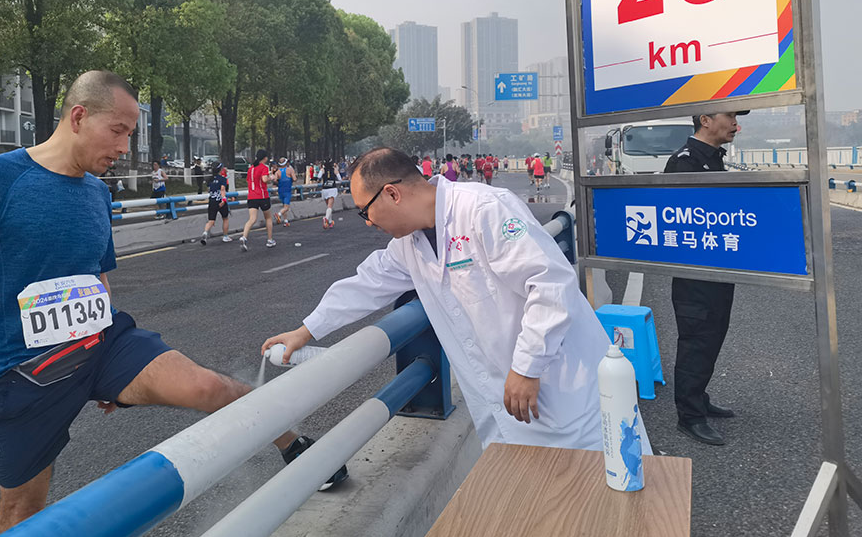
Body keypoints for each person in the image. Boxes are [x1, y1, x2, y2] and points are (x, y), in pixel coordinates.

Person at [0, 71, 345, 535]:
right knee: (21, 517)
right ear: (78, 117)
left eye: (130, 135)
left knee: (208, 386)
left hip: (104, 346)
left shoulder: (97, 193)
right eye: (117, 131)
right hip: (28, 370)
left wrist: (109, 367)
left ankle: (296, 446)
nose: (124, 147)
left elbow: (97, 278)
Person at [263, 147, 649, 453]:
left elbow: (549, 282)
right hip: (503, 408)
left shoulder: (483, 209)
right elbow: (366, 284)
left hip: (564, 393)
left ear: (392, 193)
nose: (367, 222)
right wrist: (306, 330)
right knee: (535, 511)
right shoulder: (410, 244)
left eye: (366, 211)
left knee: (611, 497)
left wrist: (528, 367)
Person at [664, 110, 747, 446]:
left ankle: (698, 397)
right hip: (694, 276)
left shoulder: (713, 159)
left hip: (717, 269)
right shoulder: (684, 163)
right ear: (706, 120)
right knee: (696, 340)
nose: (736, 124)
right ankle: (690, 416)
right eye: (730, 116)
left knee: (713, 336)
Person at [240, 149, 275, 250]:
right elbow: (264, 179)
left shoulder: (251, 168)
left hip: (251, 196)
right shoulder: (264, 167)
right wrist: (271, 177)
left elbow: (249, 181)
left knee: (252, 219)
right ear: (265, 158)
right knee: (268, 218)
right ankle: (270, 240)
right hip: (262, 196)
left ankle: (244, 237)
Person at [201, 162, 233, 244]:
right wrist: (224, 199)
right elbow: (222, 189)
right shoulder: (222, 179)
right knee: (225, 218)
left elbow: (209, 190)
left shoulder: (209, 179)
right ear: (220, 169)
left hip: (212, 201)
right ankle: (225, 236)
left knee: (211, 220)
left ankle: (205, 232)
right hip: (220, 201)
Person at [273, 157, 297, 228]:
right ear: (286, 163)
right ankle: (278, 214)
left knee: (284, 206)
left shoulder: (277, 172)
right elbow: (294, 179)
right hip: (287, 190)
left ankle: (286, 221)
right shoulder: (290, 170)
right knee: (286, 207)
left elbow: (275, 180)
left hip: (280, 190)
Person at [319, 159, 342, 229]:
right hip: (332, 189)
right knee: (330, 207)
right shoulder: (334, 170)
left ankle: (330, 222)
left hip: (325, 189)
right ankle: (326, 218)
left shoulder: (322, 170)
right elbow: (340, 179)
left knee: (328, 207)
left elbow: (319, 177)